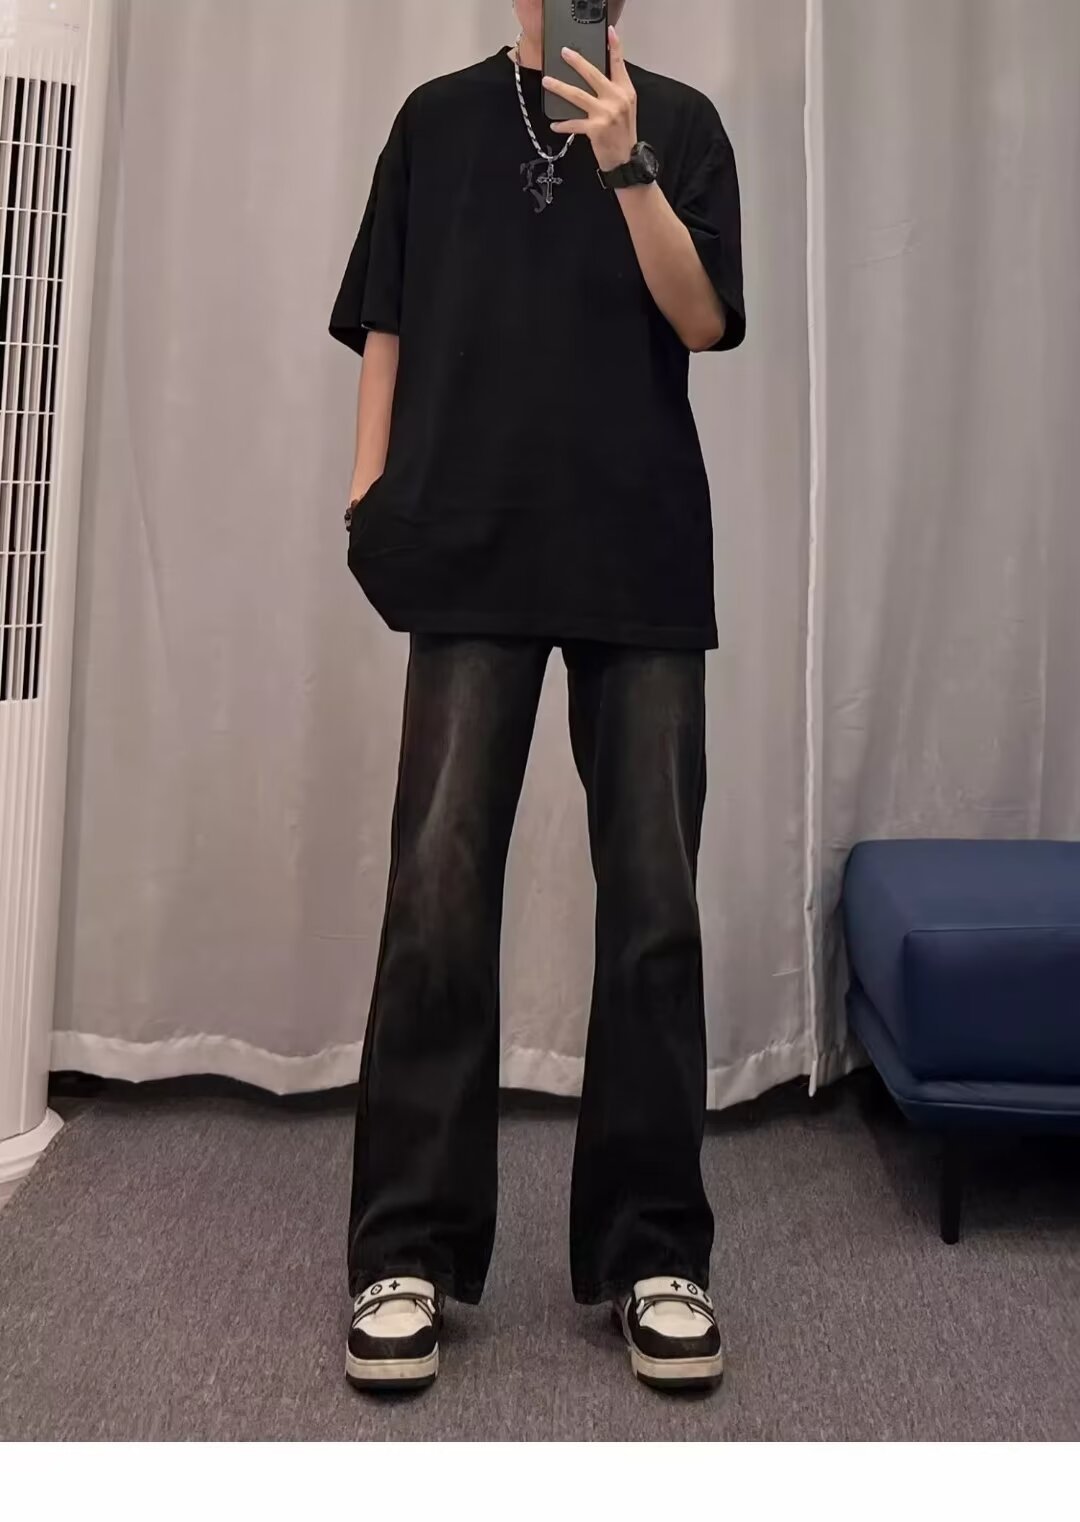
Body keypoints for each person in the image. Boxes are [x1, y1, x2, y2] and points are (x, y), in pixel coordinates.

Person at [330, 0, 745, 1394]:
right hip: (468, 541)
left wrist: (627, 164)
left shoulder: (681, 123)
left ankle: (654, 1249)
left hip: (639, 549)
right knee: (436, 895)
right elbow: (386, 316)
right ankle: (408, 1246)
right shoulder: (436, 123)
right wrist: (368, 487)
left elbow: (704, 318)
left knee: (655, 904)